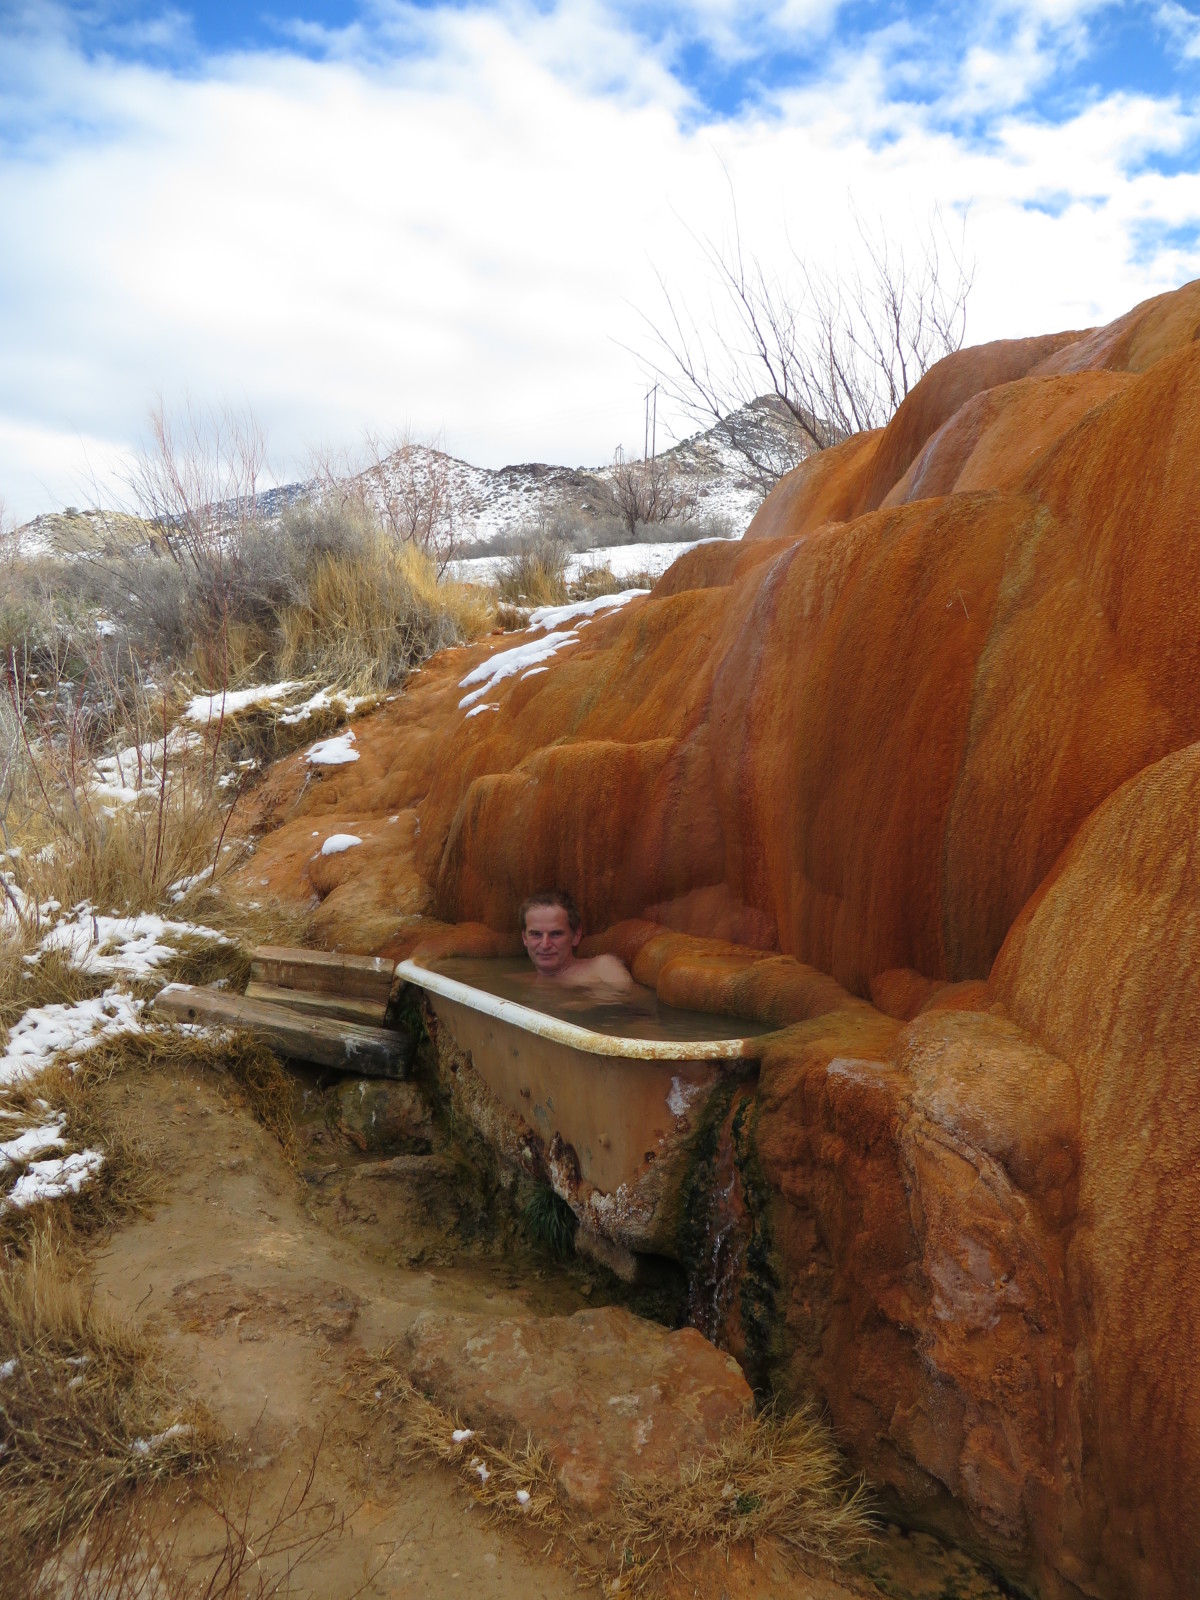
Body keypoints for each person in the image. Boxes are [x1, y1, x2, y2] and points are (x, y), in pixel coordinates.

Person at [519, 889, 636, 1003]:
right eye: (536, 934)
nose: (545, 945)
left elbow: (635, 1001)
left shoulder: (601, 968)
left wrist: (585, 1003)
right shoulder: (518, 981)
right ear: (525, 938)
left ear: (576, 935)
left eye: (556, 934)